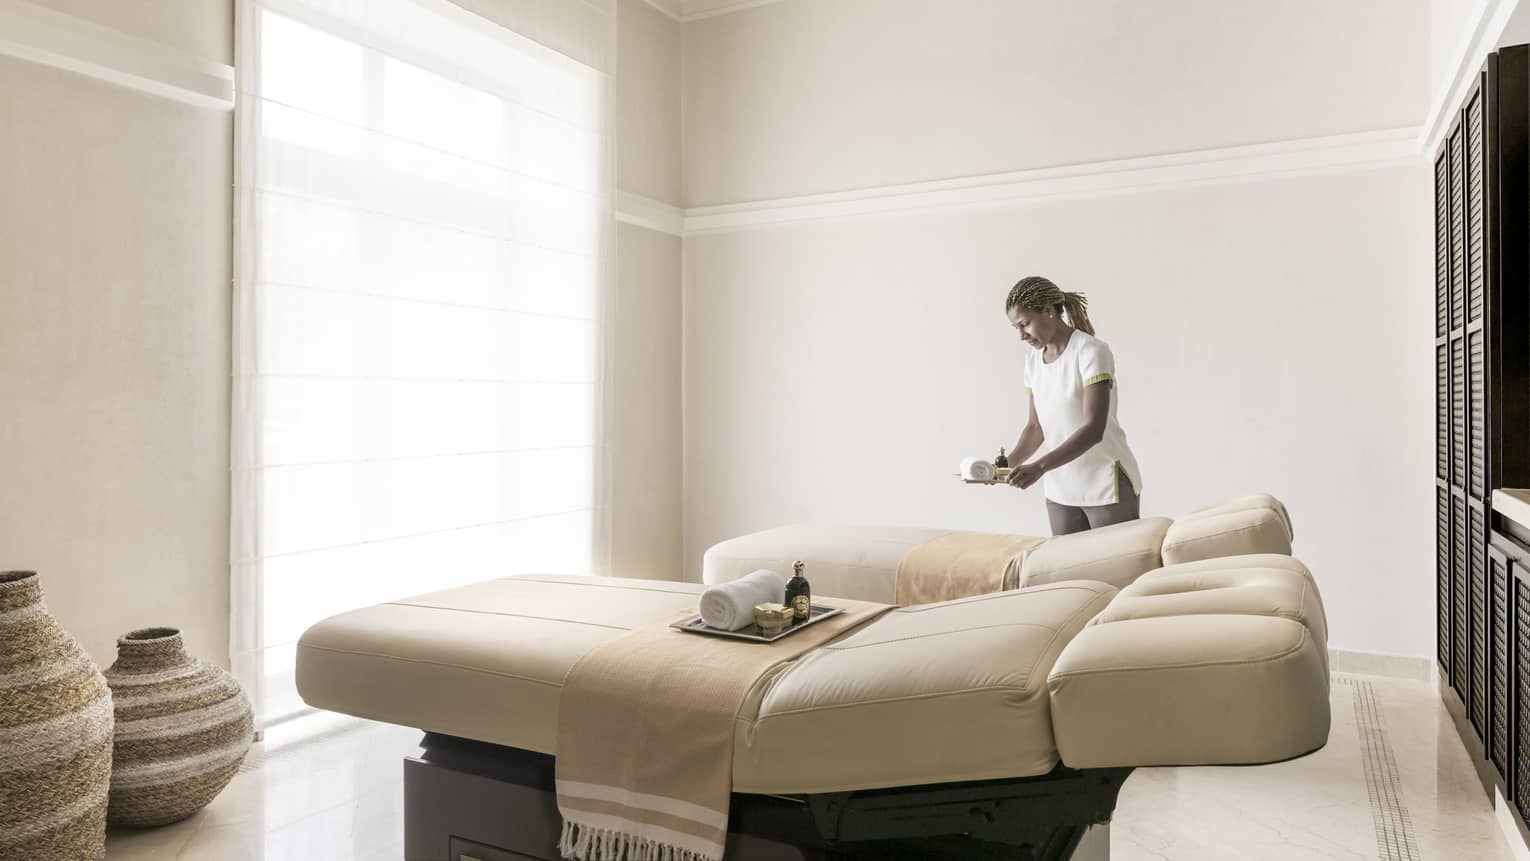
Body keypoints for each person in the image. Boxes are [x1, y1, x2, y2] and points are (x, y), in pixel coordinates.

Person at [1003, 276, 1142, 536]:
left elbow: (1093, 429)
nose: (1021, 335)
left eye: (1025, 324)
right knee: (1069, 571)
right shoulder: (1033, 360)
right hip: (1060, 489)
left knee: (1117, 570)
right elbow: (1035, 428)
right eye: (1015, 328)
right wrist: (1004, 466)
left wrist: (1039, 467)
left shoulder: (1091, 351)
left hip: (1105, 484)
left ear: (1048, 311)